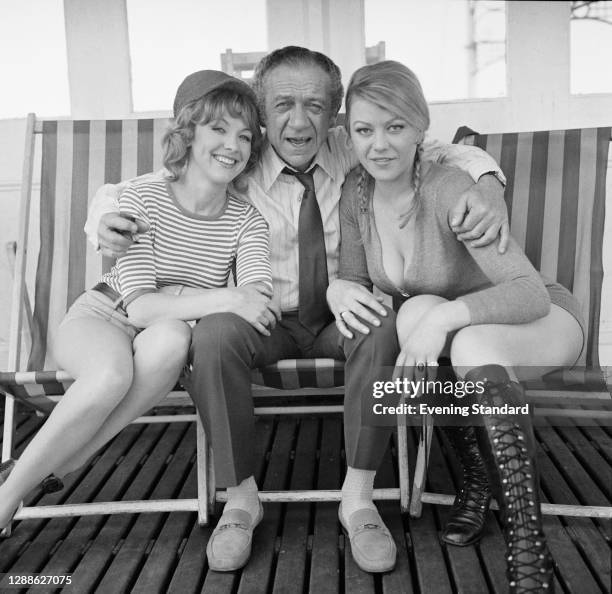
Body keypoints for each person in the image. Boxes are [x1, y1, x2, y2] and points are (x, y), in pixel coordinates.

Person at [84, 46, 509, 574]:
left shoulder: (355, 148)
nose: (299, 120)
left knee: (382, 325)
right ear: (260, 110)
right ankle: (240, 500)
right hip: (264, 317)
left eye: (315, 105)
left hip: (341, 315)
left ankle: (358, 498)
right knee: (213, 334)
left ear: (335, 114)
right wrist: (104, 209)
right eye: (283, 104)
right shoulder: (234, 158)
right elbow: (150, 186)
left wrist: (488, 184)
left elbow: (440, 153)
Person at [332, 60, 584, 590]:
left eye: (395, 127)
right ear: (348, 133)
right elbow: (355, 279)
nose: (379, 144)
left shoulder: (451, 187)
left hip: (539, 322)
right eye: (364, 129)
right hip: (463, 341)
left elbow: (529, 291)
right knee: (412, 314)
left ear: (421, 128)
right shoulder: (356, 194)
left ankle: (527, 547)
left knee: (452, 330)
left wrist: (447, 315)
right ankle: (474, 473)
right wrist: (337, 286)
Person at [0, 70, 274, 539]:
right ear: (187, 133)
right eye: (219, 129)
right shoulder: (140, 197)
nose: (234, 144)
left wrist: (223, 301)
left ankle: (42, 467)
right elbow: (141, 307)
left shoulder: (247, 221)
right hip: (101, 317)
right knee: (111, 373)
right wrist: (223, 297)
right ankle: (10, 498)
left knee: (173, 339)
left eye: (245, 136)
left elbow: (257, 303)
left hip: (166, 335)